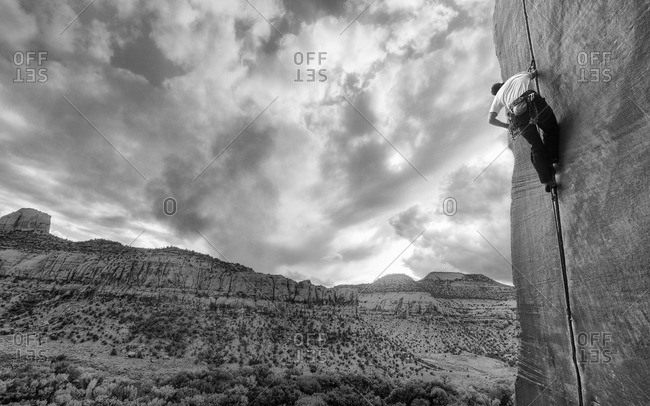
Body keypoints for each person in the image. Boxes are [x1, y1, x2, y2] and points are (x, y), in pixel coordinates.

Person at [488, 63, 560, 192]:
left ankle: (546, 180)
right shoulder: (516, 77)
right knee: (551, 130)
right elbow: (534, 74)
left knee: (536, 147)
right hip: (533, 102)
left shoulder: (498, 97)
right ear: (502, 83)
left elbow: (491, 120)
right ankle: (553, 157)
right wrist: (530, 73)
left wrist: (508, 126)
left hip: (518, 116)